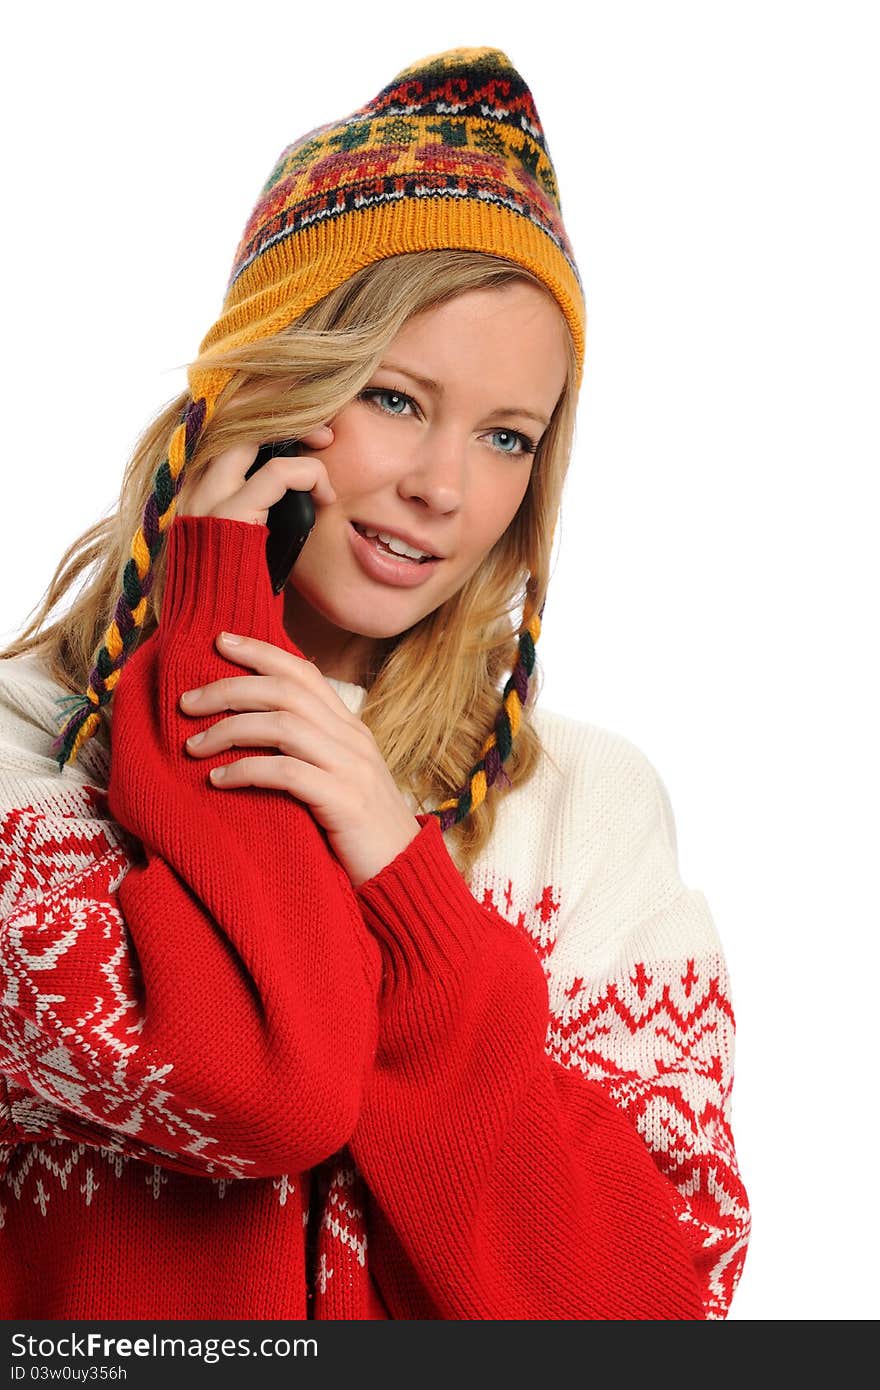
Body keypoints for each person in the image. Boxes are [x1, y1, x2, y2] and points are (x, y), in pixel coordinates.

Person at [0, 46, 750, 1320]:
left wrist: (405, 880)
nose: (445, 490)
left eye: (508, 436)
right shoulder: (27, 761)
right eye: (397, 399)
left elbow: (657, 1312)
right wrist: (210, 641)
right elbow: (254, 1083)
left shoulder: (581, 806)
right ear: (269, 395)